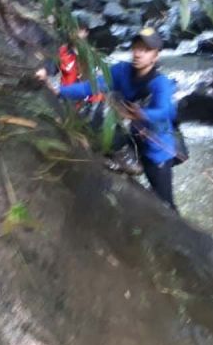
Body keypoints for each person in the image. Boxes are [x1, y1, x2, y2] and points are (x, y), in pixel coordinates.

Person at [42, 27, 179, 209]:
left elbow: (165, 111)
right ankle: (121, 159)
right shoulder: (121, 72)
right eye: (136, 48)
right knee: (96, 113)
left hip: (156, 148)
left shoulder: (160, 83)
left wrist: (142, 114)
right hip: (132, 136)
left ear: (155, 56)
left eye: (145, 50)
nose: (138, 54)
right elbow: (91, 87)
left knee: (165, 203)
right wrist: (59, 91)